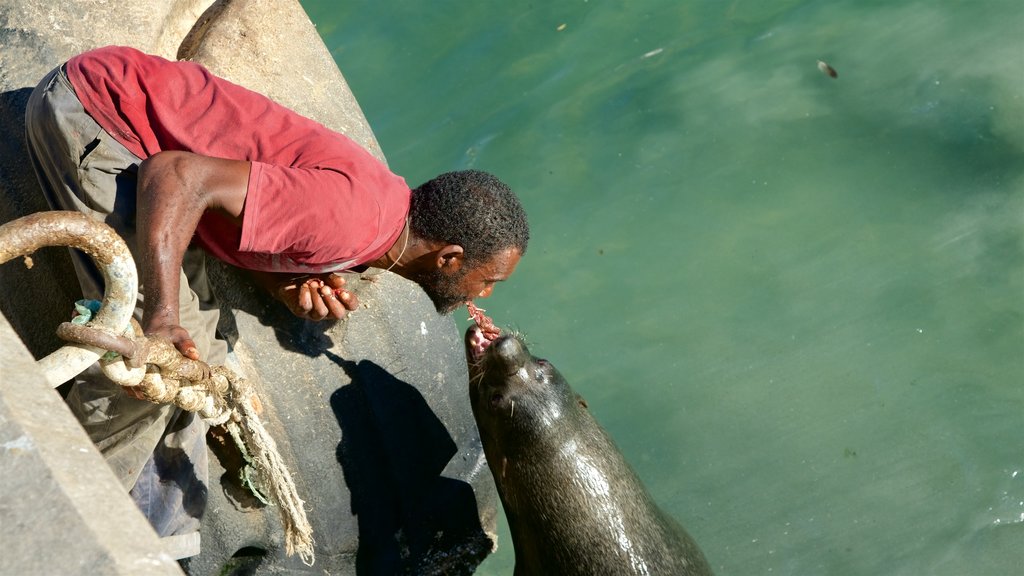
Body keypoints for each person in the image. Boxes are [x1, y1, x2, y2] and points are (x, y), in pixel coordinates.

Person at [24, 45, 529, 558]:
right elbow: (176, 177)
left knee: (202, 359)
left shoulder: (382, 215)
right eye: (490, 280)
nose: (484, 294)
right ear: (450, 257)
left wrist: (283, 278)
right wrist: (161, 314)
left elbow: (249, 200)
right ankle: (53, 514)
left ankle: (152, 545)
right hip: (101, 115)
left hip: (125, 119)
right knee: (160, 365)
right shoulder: (350, 221)